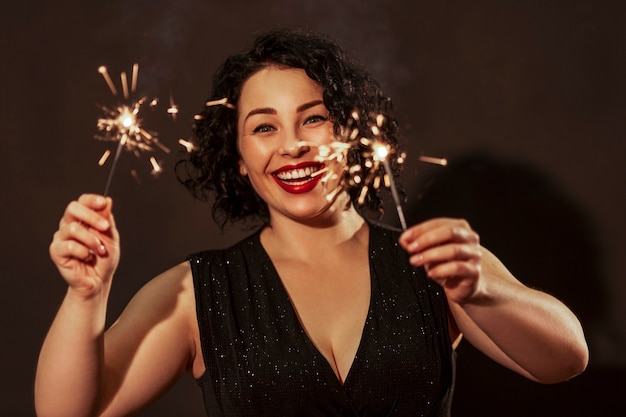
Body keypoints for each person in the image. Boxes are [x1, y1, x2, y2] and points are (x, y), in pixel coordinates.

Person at [34, 29, 588, 417]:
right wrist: (86, 297)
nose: (293, 144)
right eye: (264, 127)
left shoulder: (434, 262)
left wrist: (484, 289)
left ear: (349, 132)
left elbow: (566, 360)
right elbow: (66, 412)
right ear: (237, 158)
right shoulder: (192, 292)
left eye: (314, 118)